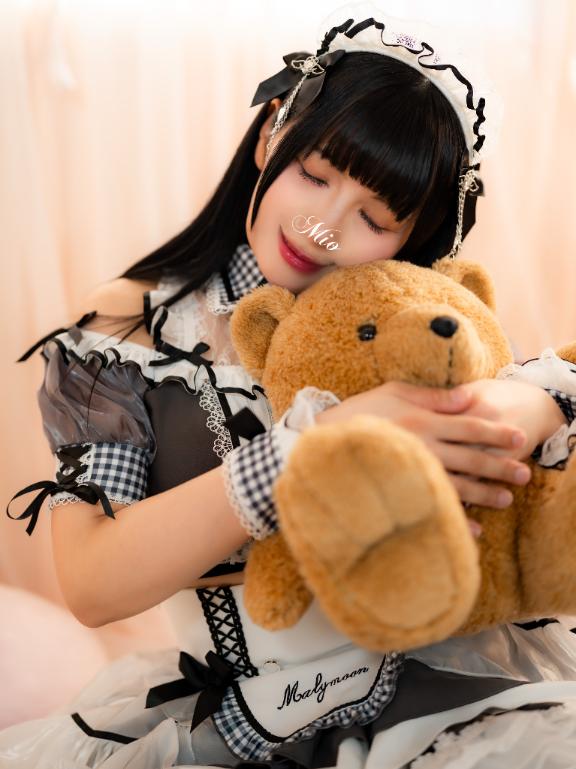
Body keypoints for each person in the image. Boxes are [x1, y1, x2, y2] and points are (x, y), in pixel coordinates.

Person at [3, 4, 576, 767]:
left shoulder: (418, 317)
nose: (324, 226)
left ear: (416, 235)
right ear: (272, 131)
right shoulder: (129, 327)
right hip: (244, 717)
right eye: (314, 174)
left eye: (375, 216)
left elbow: (546, 396)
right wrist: (307, 450)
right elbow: (92, 583)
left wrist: (519, 405)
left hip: (450, 691)